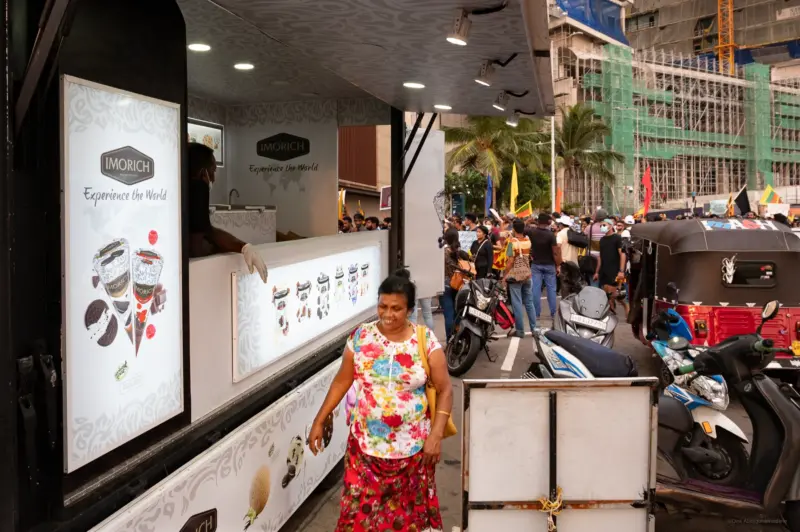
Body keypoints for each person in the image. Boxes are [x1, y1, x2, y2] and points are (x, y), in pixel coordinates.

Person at [308, 269, 450, 532]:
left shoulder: (425, 341)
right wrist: (320, 418)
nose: (387, 314)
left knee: (406, 520)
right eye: (382, 306)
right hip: (364, 450)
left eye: (396, 308)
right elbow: (342, 380)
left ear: (409, 310)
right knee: (359, 517)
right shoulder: (361, 337)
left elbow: (445, 390)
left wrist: (436, 436)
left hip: (412, 453)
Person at [188, 143, 267, 282]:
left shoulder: (181, 188)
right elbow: (198, 245)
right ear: (203, 173)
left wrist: (243, 247)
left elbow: (206, 229)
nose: (213, 178)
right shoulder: (198, 189)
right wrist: (220, 249)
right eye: (213, 170)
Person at [503, 219, 536, 337]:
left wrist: (504, 275)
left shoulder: (512, 243)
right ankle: (534, 329)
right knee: (529, 302)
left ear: (514, 229)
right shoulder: (528, 240)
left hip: (516, 276)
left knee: (517, 303)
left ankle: (520, 330)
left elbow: (510, 261)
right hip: (527, 274)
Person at [527, 213, 561, 319]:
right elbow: (555, 252)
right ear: (548, 222)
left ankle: (536, 313)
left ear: (538, 221)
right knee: (551, 289)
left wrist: (528, 221)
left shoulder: (532, 232)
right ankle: (553, 312)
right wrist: (558, 265)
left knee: (535, 289)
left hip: (536, 264)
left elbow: (522, 228)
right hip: (549, 264)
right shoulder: (551, 235)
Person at [594, 219, 626, 312]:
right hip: (604, 271)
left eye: (604, 225)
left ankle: (628, 314)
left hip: (615, 271)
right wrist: (597, 272)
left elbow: (622, 254)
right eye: (601, 226)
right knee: (607, 296)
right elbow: (600, 256)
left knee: (619, 297)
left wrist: (621, 271)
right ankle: (610, 312)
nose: (602, 227)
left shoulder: (617, 238)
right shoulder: (602, 240)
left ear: (611, 226)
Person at [442, 229, 461, 342]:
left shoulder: (442, 252)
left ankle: (450, 339)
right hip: (459, 283)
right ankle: (459, 337)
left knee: (448, 313)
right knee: (458, 312)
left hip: (446, 283)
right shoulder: (459, 251)